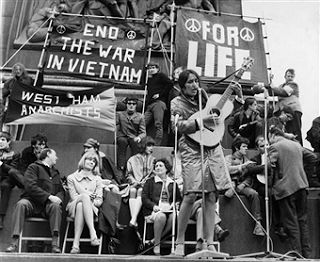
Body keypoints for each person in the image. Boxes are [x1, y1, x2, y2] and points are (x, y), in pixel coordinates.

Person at [170, 69, 232, 256]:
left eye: (196, 81)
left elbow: (218, 114)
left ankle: (209, 243)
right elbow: (178, 127)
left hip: (210, 145)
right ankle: (179, 243)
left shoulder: (204, 96)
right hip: (190, 147)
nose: (194, 85)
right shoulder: (176, 103)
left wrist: (234, 97)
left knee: (211, 195)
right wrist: (200, 121)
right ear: (182, 85)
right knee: (190, 194)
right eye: (190, 82)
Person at [5, 148, 65, 253]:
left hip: (48, 205)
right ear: (48, 154)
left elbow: (60, 190)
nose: (57, 158)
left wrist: (59, 198)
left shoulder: (55, 172)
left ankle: (55, 244)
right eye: (55, 155)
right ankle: (13, 243)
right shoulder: (33, 167)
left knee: (56, 207)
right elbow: (30, 186)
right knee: (21, 204)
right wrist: (49, 197)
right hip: (31, 201)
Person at [268, 126, 311, 258]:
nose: (269, 141)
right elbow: (313, 157)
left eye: (269, 138)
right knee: (303, 222)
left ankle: (297, 255)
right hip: (302, 186)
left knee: (291, 224)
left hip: (286, 189)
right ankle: (307, 255)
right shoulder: (296, 145)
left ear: (273, 135)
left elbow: (269, 166)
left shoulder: (275, 147)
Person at [225, 136, 265, 236]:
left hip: (241, 186)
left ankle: (258, 224)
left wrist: (243, 185)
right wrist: (241, 167)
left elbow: (250, 177)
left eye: (247, 146)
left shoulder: (247, 160)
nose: (246, 148)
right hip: (229, 185)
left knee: (254, 194)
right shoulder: (228, 158)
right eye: (244, 146)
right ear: (237, 148)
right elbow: (226, 170)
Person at [142, 158, 182, 255]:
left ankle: (155, 239)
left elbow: (178, 199)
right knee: (161, 216)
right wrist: (153, 206)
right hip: (156, 209)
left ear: (166, 168)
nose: (158, 168)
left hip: (169, 209)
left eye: (161, 166)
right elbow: (144, 198)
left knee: (174, 217)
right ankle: (157, 244)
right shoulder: (150, 182)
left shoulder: (173, 183)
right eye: (156, 166)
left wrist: (175, 204)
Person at [66, 150, 103, 254]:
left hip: (92, 209)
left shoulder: (97, 179)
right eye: (89, 160)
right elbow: (73, 197)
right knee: (82, 199)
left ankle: (75, 245)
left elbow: (99, 201)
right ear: (83, 160)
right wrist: (86, 195)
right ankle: (93, 232)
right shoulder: (71, 178)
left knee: (82, 204)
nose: (92, 162)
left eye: (94, 161)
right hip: (73, 206)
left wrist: (90, 201)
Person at [125, 136, 156, 228]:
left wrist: (146, 182)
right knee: (132, 191)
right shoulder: (132, 159)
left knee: (140, 191)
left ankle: (133, 219)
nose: (151, 148)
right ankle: (133, 219)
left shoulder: (153, 160)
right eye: (149, 145)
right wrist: (135, 181)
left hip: (147, 186)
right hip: (134, 184)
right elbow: (128, 174)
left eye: (152, 146)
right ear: (143, 145)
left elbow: (154, 174)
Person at [268, 69, 303, 145]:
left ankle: (299, 148)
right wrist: (270, 81)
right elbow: (272, 92)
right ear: (285, 76)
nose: (290, 78)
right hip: (284, 111)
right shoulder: (281, 86)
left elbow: (284, 92)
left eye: (292, 76)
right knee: (286, 131)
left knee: (295, 130)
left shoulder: (293, 85)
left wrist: (272, 86)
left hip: (293, 110)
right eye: (288, 76)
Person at [144, 63, 173, 146]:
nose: (151, 69)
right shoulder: (149, 79)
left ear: (157, 69)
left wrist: (160, 94)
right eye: (149, 68)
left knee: (158, 124)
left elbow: (170, 84)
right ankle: (142, 142)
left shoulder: (161, 76)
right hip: (150, 104)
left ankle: (157, 144)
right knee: (142, 123)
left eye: (153, 68)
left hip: (159, 103)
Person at [0, 131, 24, 229]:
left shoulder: (14, 154)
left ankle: (0, 218)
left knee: (5, 185)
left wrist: (1, 164)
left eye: (3, 140)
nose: (0, 142)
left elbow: (13, 170)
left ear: (9, 142)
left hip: (7, 179)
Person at [116, 98, 146, 172]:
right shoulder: (120, 114)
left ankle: (132, 168)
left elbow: (143, 132)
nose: (131, 106)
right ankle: (121, 168)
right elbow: (115, 124)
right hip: (122, 136)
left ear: (136, 105)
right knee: (122, 142)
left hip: (133, 137)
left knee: (135, 145)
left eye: (133, 104)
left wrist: (139, 137)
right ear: (126, 105)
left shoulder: (140, 116)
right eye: (129, 104)